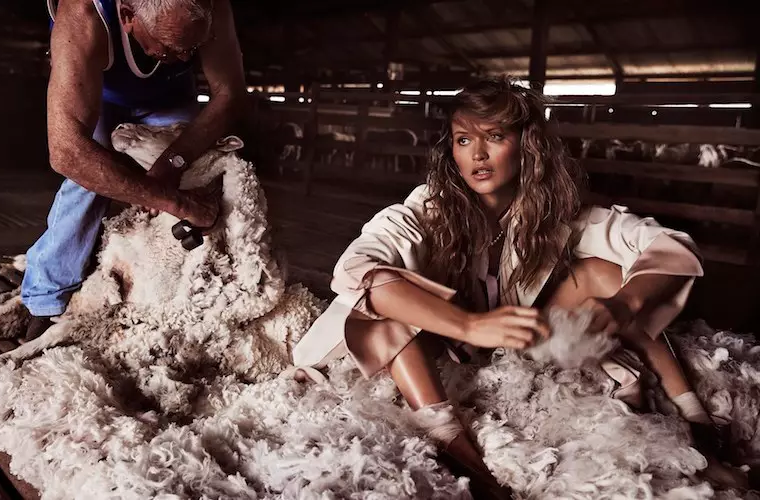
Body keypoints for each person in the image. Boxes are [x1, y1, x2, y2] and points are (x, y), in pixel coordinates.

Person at [292, 77, 749, 496]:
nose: (478, 155)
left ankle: (693, 414)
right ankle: (457, 447)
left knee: (607, 274)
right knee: (384, 304)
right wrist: (469, 325)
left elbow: (667, 246)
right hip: (431, 346)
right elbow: (357, 268)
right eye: (464, 140)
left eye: (495, 137)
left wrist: (624, 303)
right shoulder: (426, 209)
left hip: (510, 342)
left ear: (526, 145)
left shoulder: (555, 214)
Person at [21, 0, 246, 339]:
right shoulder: (83, 13)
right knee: (86, 183)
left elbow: (229, 94)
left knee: (201, 170)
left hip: (168, 99)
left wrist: (173, 163)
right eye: (172, 47)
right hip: (98, 96)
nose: (187, 59)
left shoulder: (212, 6)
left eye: (194, 48)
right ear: (127, 16)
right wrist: (174, 202)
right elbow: (67, 152)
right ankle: (46, 298)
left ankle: (181, 286)